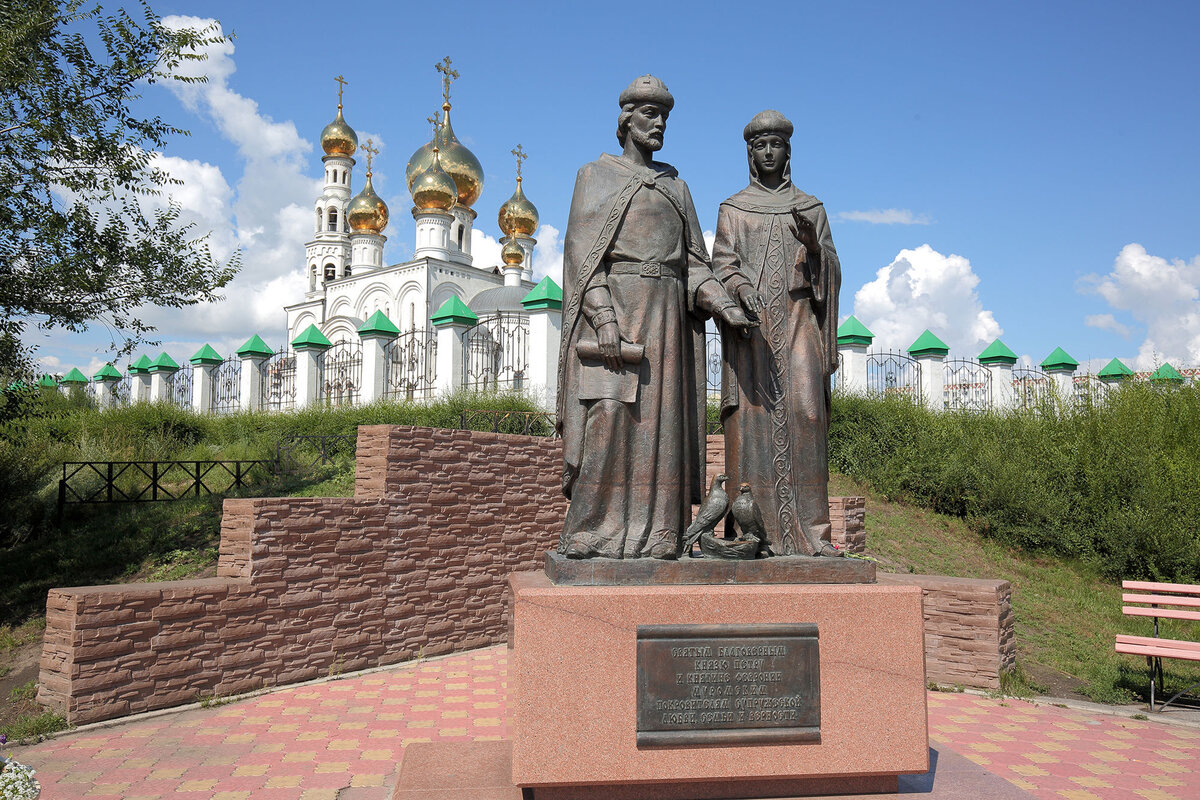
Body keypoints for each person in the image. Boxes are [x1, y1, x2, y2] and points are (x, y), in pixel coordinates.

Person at [556, 75, 754, 559]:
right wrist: (602, 317)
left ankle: (660, 533)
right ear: (626, 119)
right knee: (609, 417)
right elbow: (583, 256)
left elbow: (696, 264)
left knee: (660, 426)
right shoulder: (594, 175)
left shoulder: (677, 188)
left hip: (668, 320)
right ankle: (593, 530)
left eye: (665, 115)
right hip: (619, 312)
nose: (659, 123)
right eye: (649, 114)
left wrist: (723, 304)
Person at [711, 110, 842, 557]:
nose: (768, 152)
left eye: (776, 144)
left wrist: (813, 248)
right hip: (753, 334)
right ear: (750, 153)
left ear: (788, 151)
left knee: (807, 414)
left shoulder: (810, 208)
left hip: (800, 319)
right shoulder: (733, 209)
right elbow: (722, 264)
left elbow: (832, 273)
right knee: (750, 426)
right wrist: (740, 287)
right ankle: (753, 535)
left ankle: (814, 535)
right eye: (760, 145)